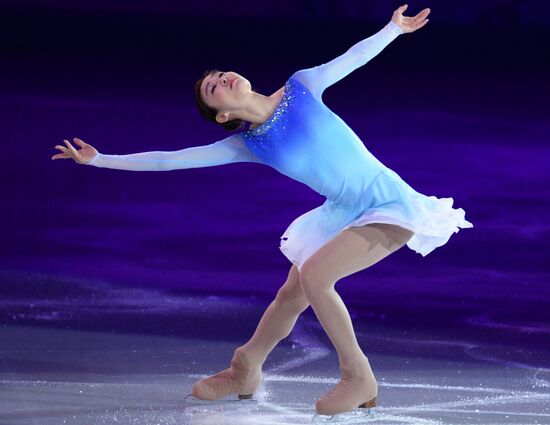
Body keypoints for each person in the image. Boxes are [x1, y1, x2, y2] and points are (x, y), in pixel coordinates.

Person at [52, 4, 473, 419]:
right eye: (214, 87)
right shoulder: (246, 145)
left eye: (220, 73)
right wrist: (101, 159)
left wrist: (392, 30)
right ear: (224, 114)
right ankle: (245, 369)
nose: (222, 78)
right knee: (291, 294)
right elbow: (170, 159)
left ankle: (358, 376)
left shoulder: (301, 86)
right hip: (345, 211)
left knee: (315, 277)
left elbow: (351, 58)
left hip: (387, 202)